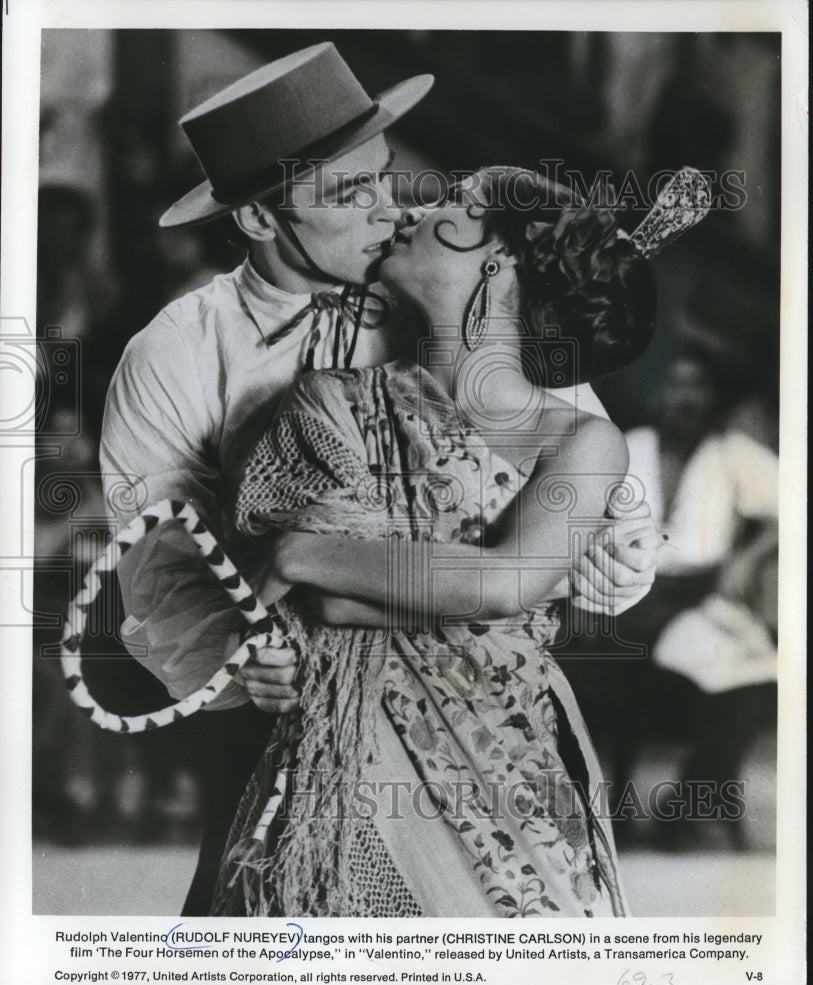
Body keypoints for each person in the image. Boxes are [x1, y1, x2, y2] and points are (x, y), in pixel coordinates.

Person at [100, 44, 660, 914]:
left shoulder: (470, 314)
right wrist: (236, 656)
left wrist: (609, 559)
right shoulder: (174, 355)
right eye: (346, 193)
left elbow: (593, 526)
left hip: (493, 723)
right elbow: (158, 568)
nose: (389, 210)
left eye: (387, 178)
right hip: (284, 717)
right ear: (257, 218)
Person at [206, 164, 674, 917]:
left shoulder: (582, 439)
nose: (416, 210)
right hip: (344, 763)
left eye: (455, 205)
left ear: (499, 262)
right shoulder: (330, 401)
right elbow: (324, 608)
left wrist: (302, 553)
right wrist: (477, 585)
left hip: (511, 765)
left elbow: (503, 583)